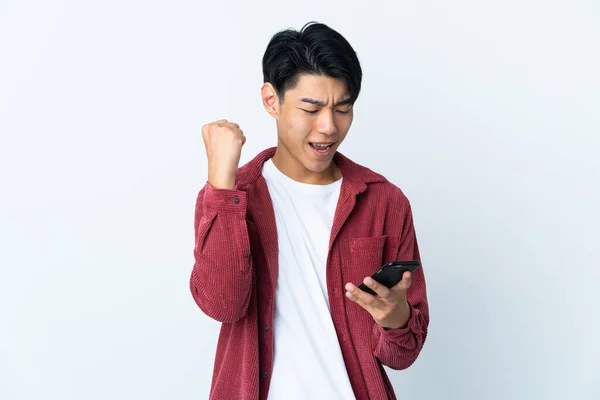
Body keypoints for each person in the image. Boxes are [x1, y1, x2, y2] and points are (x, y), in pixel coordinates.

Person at [190, 21, 430, 400]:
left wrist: (394, 317)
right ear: (272, 100)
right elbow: (223, 304)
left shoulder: (385, 201)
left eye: (343, 109)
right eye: (312, 108)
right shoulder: (232, 197)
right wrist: (222, 180)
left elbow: (403, 354)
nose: (328, 127)